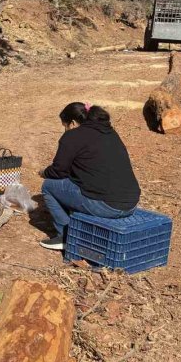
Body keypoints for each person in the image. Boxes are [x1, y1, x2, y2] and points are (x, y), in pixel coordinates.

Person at [38, 102, 140, 251]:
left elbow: (58, 172)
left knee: (48, 186)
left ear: (72, 123)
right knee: (77, 185)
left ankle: (65, 236)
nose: (65, 130)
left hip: (108, 207)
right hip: (131, 203)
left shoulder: (72, 136)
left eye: (65, 126)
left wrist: (44, 172)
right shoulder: (109, 131)